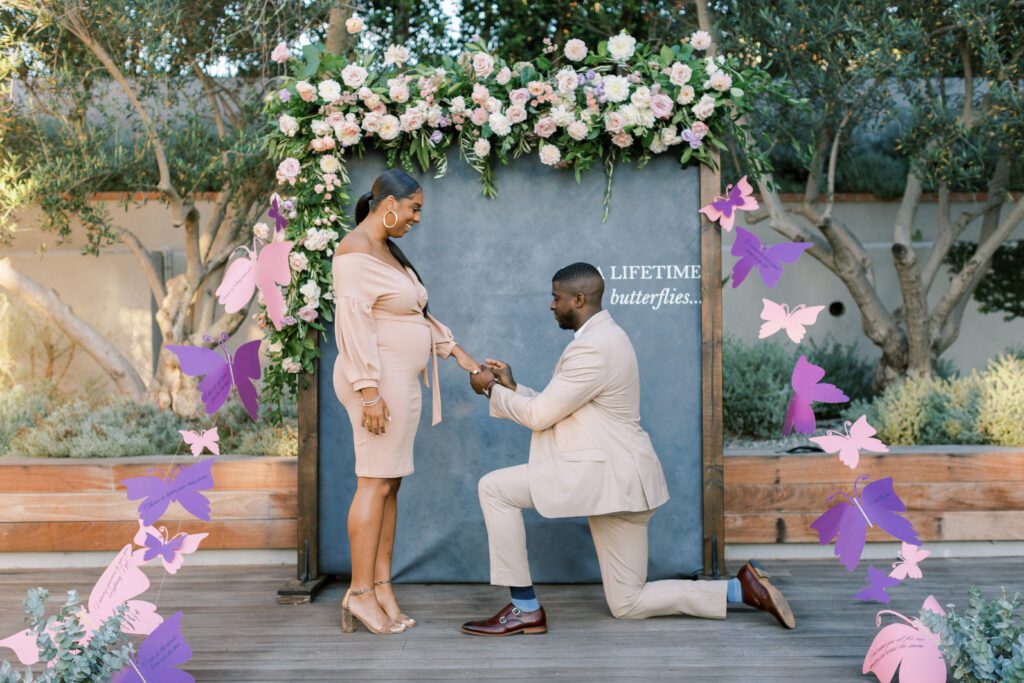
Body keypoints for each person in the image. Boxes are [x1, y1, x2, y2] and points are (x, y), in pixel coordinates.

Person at [463, 262, 796, 636]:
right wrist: (512, 387)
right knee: (628, 603)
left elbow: (541, 416)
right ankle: (741, 589)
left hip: (603, 478)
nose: (551, 305)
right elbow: (559, 406)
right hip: (623, 483)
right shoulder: (607, 338)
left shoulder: (592, 349)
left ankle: (524, 608)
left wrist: (491, 389)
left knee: (494, 488)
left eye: (555, 298)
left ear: (579, 298)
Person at [332, 169, 482, 635]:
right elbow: (353, 327)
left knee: (389, 484)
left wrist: (455, 351)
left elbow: (415, 311)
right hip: (376, 384)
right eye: (415, 208)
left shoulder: (387, 252)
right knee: (373, 484)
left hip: (398, 383)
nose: (418, 218)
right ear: (389, 204)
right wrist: (369, 391)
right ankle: (359, 594)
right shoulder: (354, 253)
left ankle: (381, 586)